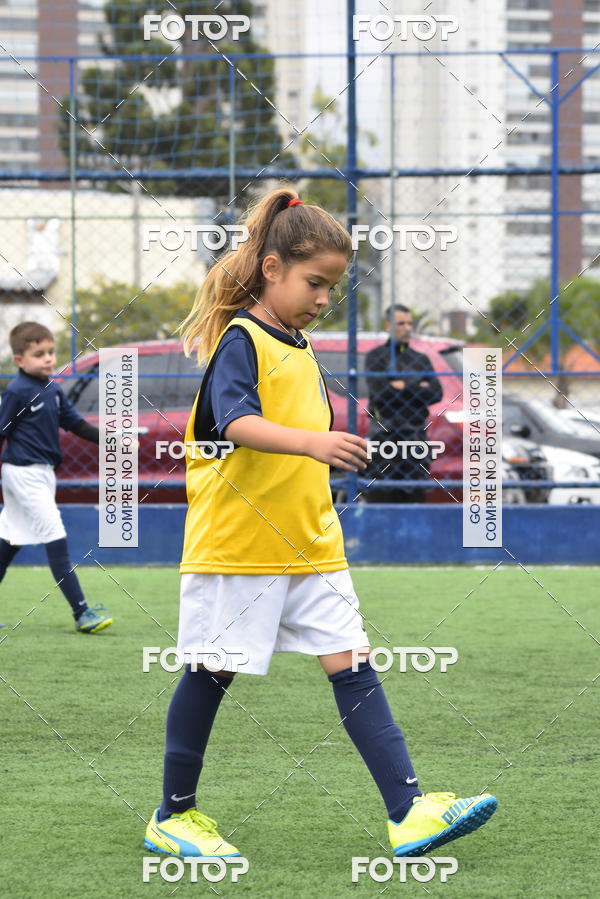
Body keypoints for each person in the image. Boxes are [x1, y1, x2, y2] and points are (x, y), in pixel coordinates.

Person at [144, 189, 497, 860]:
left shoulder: (299, 344)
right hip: (239, 549)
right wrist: (313, 444)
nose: (322, 296)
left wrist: (320, 452)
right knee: (211, 670)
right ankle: (173, 814)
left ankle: (408, 811)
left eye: (331, 286)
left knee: (355, 664)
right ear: (272, 267)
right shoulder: (240, 340)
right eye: (315, 281)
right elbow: (233, 422)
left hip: (310, 545)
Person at [0, 321, 113, 633]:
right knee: (55, 538)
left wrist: (112, 439)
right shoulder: (16, 392)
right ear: (20, 360)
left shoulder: (54, 390)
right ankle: (82, 614)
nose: (48, 359)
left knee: (8, 541)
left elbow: (77, 425)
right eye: (39, 354)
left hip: (42, 475)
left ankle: (81, 612)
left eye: (51, 352)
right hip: (22, 475)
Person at [365, 305, 443, 503]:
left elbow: (435, 393)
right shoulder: (376, 357)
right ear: (389, 326)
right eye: (401, 323)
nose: (407, 328)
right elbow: (381, 392)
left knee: (414, 496)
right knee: (381, 495)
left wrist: (402, 384)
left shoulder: (420, 359)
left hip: (415, 436)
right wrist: (417, 384)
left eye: (410, 323)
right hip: (384, 437)